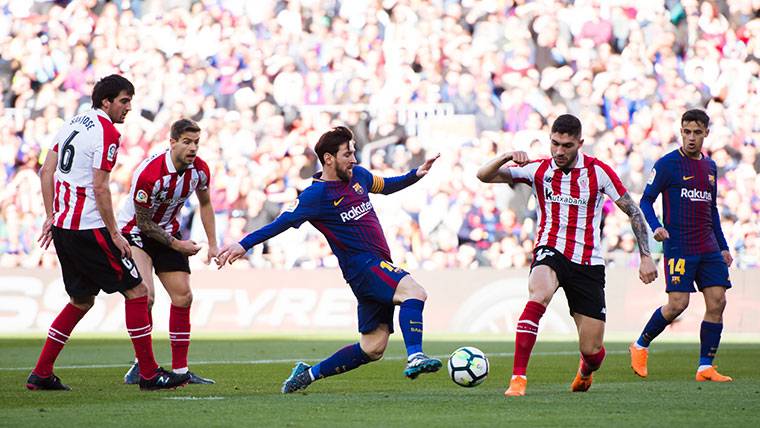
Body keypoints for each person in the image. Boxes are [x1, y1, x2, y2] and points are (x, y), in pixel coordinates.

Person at [216, 126, 443, 393]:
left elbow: (385, 186)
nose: (354, 159)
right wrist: (244, 244)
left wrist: (415, 174)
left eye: (354, 152)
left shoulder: (358, 176)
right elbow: (282, 223)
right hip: (363, 266)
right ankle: (415, 355)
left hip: (375, 264)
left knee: (373, 347)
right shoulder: (316, 196)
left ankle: (308, 374)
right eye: (348, 154)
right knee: (414, 291)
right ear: (328, 158)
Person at [28, 74, 190, 391]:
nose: (128, 108)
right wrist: (115, 234)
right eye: (124, 101)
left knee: (80, 300)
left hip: (64, 228)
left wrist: (52, 215)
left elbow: (46, 171)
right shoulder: (106, 132)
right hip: (90, 229)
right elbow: (101, 188)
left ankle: (41, 372)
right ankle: (148, 373)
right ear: (107, 102)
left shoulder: (73, 122)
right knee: (138, 293)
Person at [477, 114, 657, 397]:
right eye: (555, 143)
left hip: (588, 262)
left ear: (580, 143)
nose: (559, 151)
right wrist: (506, 156)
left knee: (593, 351)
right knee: (538, 294)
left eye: (567, 146)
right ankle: (518, 379)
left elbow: (633, 210)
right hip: (550, 249)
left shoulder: (598, 172)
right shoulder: (537, 168)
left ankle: (585, 370)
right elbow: (483, 175)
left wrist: (646, 255)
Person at [630, 109, 733, 382]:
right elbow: (645, 201)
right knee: (678, 304)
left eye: (697, 133)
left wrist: (723, 246)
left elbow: (712, 211)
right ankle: (640, 345)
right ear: (681, 131)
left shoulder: (710, 167)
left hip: (708, 246)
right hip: (680, 246)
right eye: (686, 132)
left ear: (706, 134)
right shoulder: (667, 164)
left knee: (718, 301)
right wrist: (656, 227)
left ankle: (705, 367)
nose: (691, 138)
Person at [118, 118, 218, 385]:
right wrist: (178, 245)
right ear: (172, 142)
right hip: (135, 234)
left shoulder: (200, 171)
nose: (193, 148)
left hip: (168, 234)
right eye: (187, 142)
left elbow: (206, 204)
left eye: (196, 142)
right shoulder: (149, 173)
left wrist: (213, 244)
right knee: (145, 297)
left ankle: (181, 372)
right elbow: (143, 222)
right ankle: (142, 366)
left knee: (183, 297)